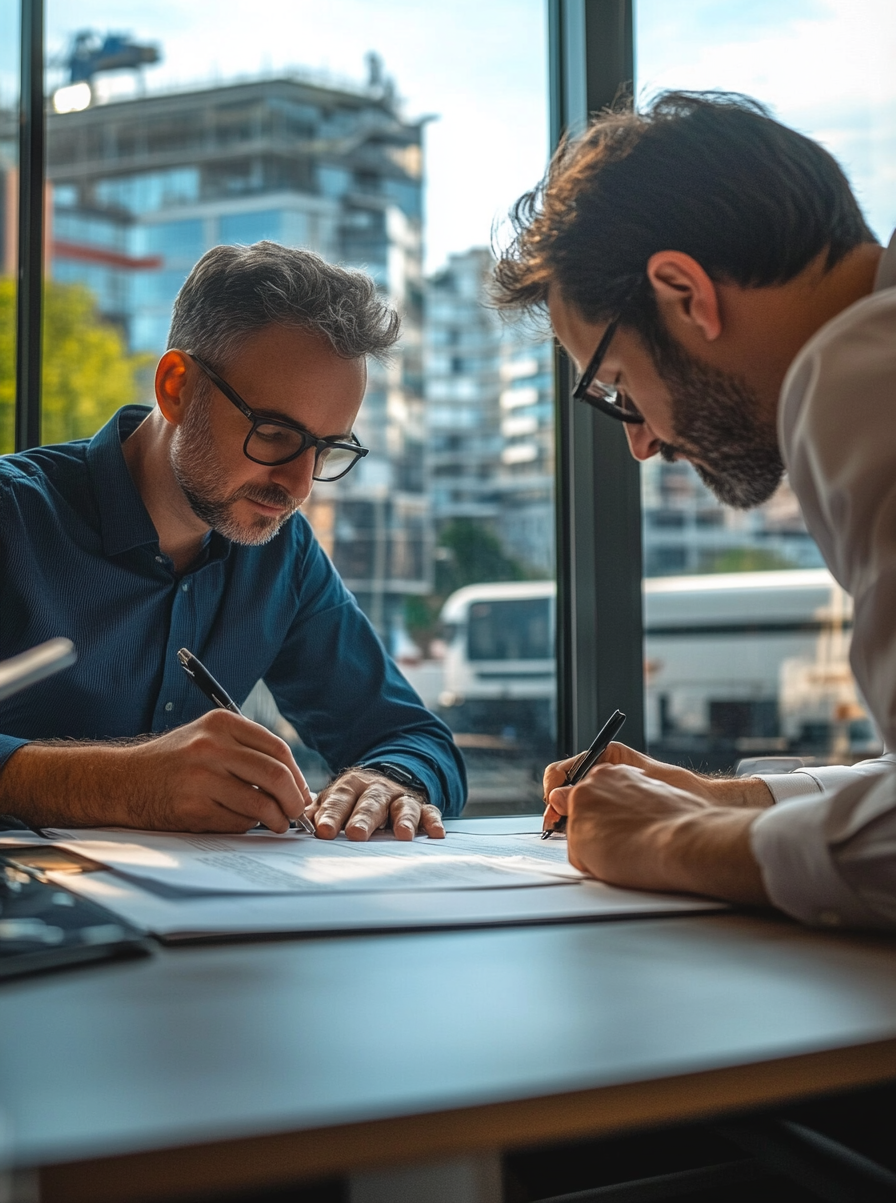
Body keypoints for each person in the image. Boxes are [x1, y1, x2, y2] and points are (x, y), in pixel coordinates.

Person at [493, 91, 896, 930]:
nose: (640, 444)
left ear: (685, 294)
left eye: (618, 390)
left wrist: (674, 839)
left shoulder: (861, 372)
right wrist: (738, 799)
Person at [0, 242, 465, 838]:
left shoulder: (282, 554)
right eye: (274, 433)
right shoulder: (14, 516)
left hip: (205, 924)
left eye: (326, 449)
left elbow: (414, 738)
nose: (299, 486)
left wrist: (390, 780)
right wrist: (115, 783)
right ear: (176, 387)